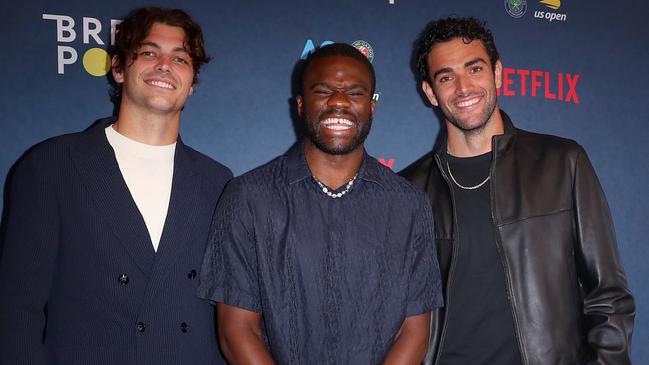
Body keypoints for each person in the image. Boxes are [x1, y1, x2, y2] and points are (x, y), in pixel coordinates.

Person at [0, 7, 231, 365]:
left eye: (180, 58)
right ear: (119, 68)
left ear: (193, 83)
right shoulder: (52, 165)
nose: (164, 65)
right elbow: (17, 307)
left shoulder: (218, 181)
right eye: (149, 52)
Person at [400, 17, 635, 365]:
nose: (463, 88)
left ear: (497, 73)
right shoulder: (409, 190)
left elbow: (609, 296)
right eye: (446, 77)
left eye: (474, 68)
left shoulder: (562, 162)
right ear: (431, 92)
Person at [198, 43, 443, 364]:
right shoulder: (248, 197)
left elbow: (415, 331)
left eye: (355, 93)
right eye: (324, 91)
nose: (339, 102)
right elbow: (237, 330)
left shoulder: (409, 205)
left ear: (372, 107)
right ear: (300, 104)